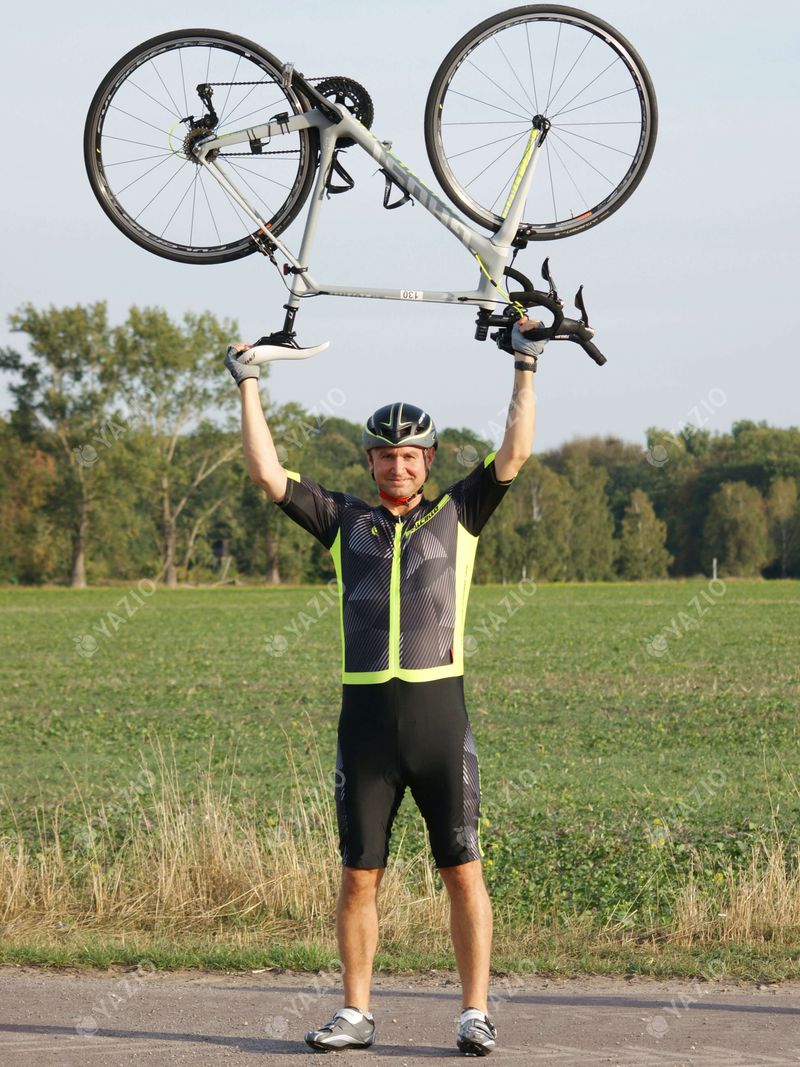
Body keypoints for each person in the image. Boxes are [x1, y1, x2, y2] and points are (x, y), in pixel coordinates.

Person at [225, 319, 544, 1056]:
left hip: (438, 714)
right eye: (385, 455)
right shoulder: (346, 519)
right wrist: (248, 382)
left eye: (409, 455)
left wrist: (525, 365)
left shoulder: (459, 510)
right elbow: (268, 475)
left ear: (428, 460)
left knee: (462, 869)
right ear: (370, 460)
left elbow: (516, 452)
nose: (397, 466)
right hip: (365, 720)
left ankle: (474, 1011)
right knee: (357, 875)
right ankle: (356, 1013)